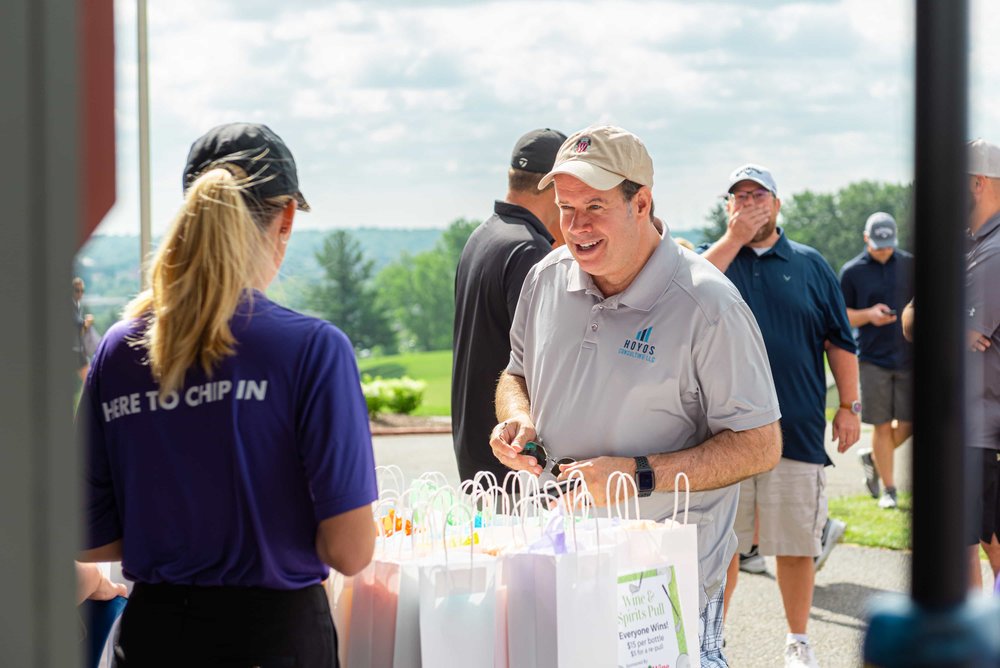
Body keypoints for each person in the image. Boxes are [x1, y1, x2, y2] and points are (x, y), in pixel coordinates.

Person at [77, 122, 378, 666]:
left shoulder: (120, 350)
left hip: (153, 636)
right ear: (285, 219)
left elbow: (87, 539)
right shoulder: (312, 348)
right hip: (272, 637)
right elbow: (351, 551)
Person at [488, 125, 783, 667]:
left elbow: (760, 445)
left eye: (594, 207)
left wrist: (637, 473)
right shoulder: (545, 278)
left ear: (641, 202)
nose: (576, 227)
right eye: (566, 208)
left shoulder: (709, 306)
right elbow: (515, 375)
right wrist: (517, 418)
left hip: (662, 585)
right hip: (558, 564)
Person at [701, 164, 861, 668]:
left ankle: (798, 640)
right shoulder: (712, 264)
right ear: (728, 207)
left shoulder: (811, 265)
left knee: (794, 545)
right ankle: (711, 643)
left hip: (796, 428)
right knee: (720, 548)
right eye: (739, 196)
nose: (749, 203)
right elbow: (681, 296)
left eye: (758, 195)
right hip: (724, 436)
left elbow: (840, 339)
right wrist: (732, 239)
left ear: (777, 204)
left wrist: (850, 406)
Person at [452, 128, 566, 485]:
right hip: (516, 457)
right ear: (554, 184)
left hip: (476, 449)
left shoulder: (483, 236)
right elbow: (541, 361)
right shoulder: (529, 250)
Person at [839, 212, 914, 509]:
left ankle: (873, 457)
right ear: (866, 237)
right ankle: (889, 490)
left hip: (909, 357)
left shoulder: (910, 264)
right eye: (879, 243)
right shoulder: (851, 272)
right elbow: (841, 316)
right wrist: (868, 315)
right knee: (882, 425)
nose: (884, 249)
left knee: (909, 423)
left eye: (889, 243)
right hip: (872, 358)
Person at [962, 138, 1000, 591]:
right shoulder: (973, 243)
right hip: (979, 425)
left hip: (981, 428)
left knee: (963, 543)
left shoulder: (991, 253)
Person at [73, 277, 94, 382]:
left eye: (82, 291)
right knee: (88, 380)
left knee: (88, 379)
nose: (80, 294)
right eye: (77, 291)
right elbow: (76, 323)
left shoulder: (77, 304)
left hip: (77, 349)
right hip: (73, 350)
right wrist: (86, 323)